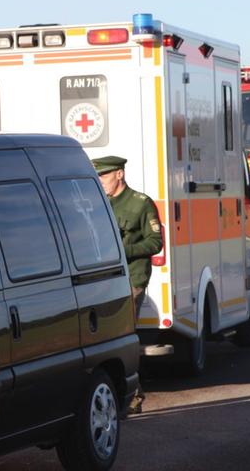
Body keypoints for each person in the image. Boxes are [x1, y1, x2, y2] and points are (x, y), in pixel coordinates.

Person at [92, 155, 163, 414]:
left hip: (131, 279)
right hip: (104, 281)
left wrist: (124, 249)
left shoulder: (140, 204)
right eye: (98, 176)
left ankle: (132, 396)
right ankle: (132, 393)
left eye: (104, 175)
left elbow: (155, 242)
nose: (100, 181)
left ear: (119, 174)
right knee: (109, 338)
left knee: (123, 335)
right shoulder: (98, 203)